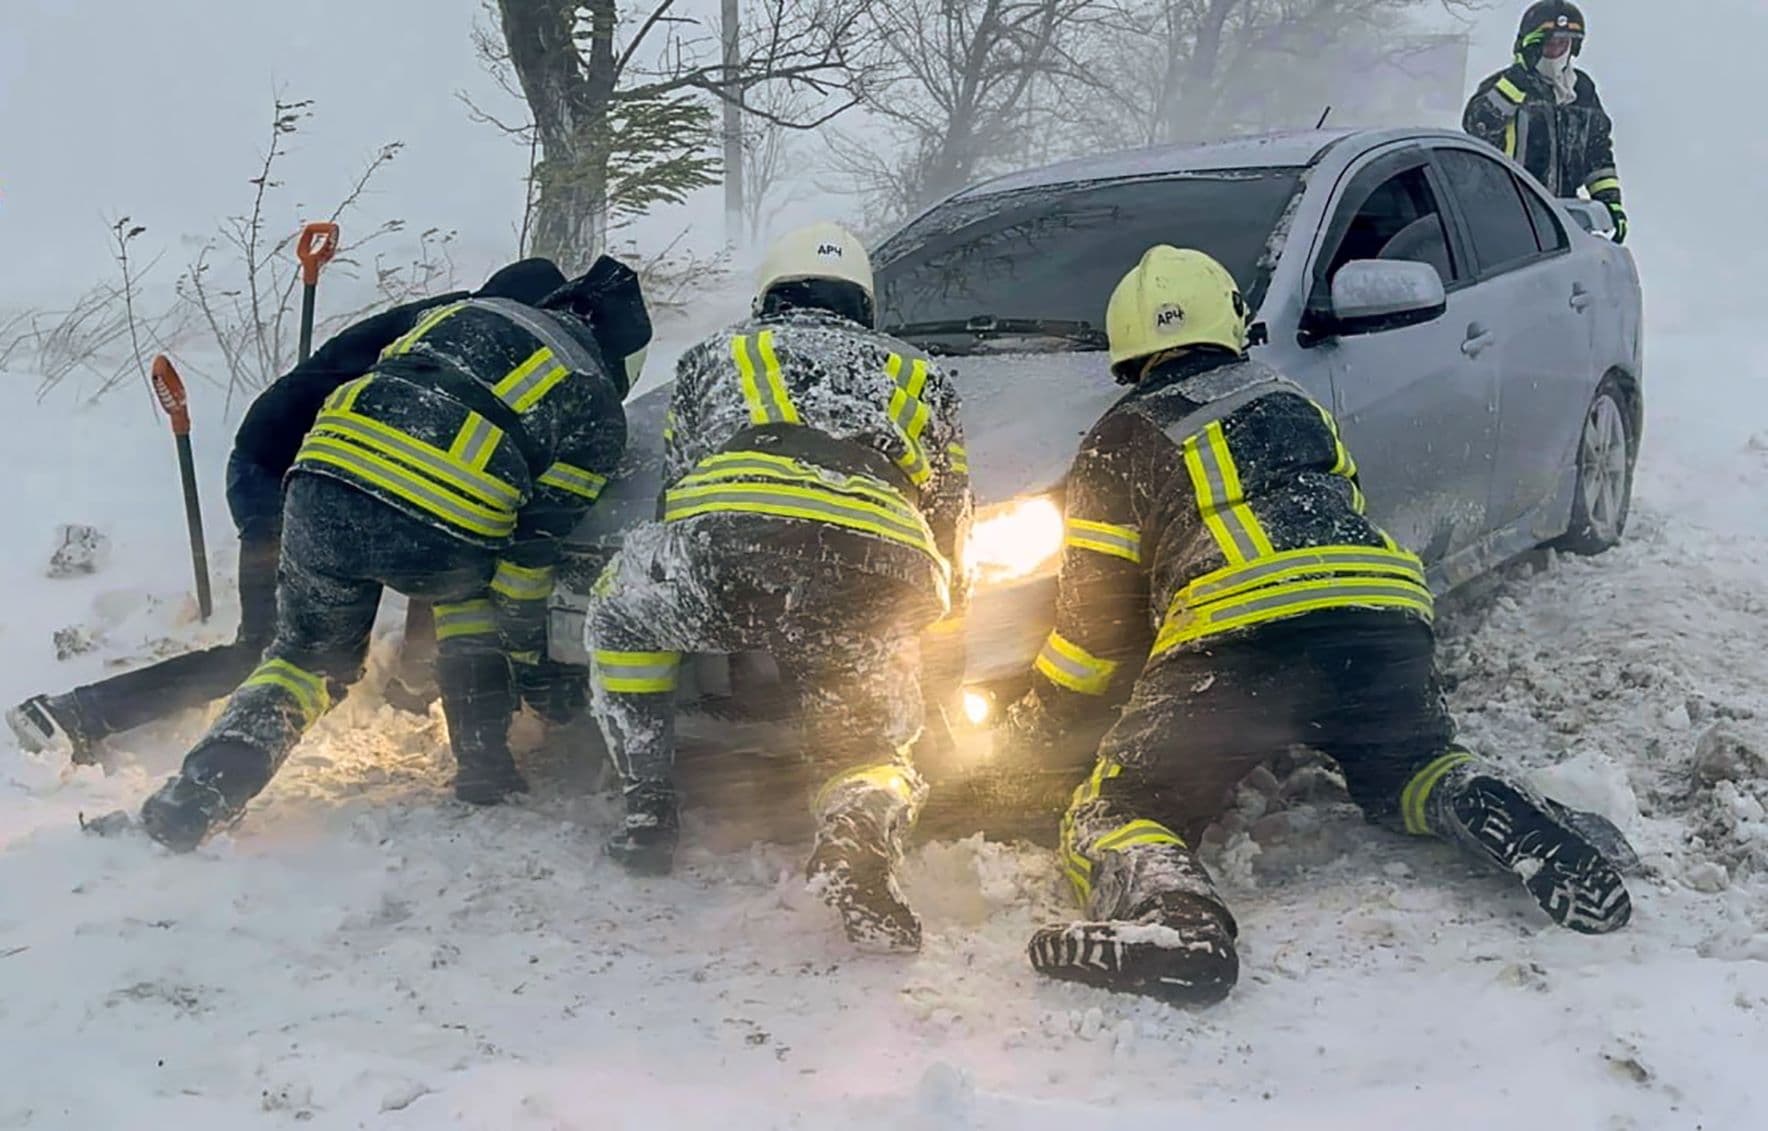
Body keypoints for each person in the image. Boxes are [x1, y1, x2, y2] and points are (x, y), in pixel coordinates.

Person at [999, 246, 1634, 1006]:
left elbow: (1094, 637)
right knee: (1407, 764)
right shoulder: (1292, 402)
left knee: (1121, 807)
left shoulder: (1120, 438)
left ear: (1128, 347)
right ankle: (1481, 799)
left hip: (1237, 640)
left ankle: (1178, 924)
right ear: (1228, 322)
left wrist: (1032, 728)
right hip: (1382, 616)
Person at [137, 256, 650, 851]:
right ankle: (484, 766)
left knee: (304, 661)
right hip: (439, 526)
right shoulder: (594, 401)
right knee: (470, 600)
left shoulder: (460, 315)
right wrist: (531, 665)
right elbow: (527, 561)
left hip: (319, 488)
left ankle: (201, 792)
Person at [3, 262, 567, 763]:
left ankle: (412, 686)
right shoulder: (463, 343)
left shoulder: (453, 325)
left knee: (445, 533)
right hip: (281, 475)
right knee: (267, 649)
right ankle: (73, 714)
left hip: (323, 471)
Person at [586, 222, 971, 953]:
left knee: (620, 614)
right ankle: (858, 830)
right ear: (863, 303)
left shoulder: (717, 354)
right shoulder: (924, 375)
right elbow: (951, 520)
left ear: (768, 296)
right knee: (869, 741)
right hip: (876, 563)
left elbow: (676, 491)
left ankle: (648, 807)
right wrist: (934, 634)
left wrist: (712, 592)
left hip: (733, 542)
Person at [1464, 1, 1627, 242]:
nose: (1556, 51)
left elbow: (1597, 153)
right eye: (1550, 44)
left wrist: (1610, 202)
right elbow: (1477, 125)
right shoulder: (1505, 86)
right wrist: (1516, 83)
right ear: (1532, 46)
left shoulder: (1581, 90)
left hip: (1562, 220)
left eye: (1563, 44)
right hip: (1506, 216)